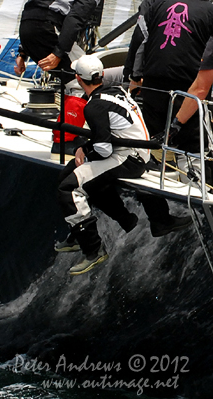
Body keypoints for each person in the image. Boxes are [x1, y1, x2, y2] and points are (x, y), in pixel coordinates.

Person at [123, 0, 213, 234]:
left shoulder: (155, 3)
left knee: (145, 154)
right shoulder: (211, 11)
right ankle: (204, 209)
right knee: (197, 150)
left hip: (154, 86)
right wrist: (177, 125)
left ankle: (159, 219)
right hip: (187, 90)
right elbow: (203, 84)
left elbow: (139, 41)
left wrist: (133, 77)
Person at [57, 55, 150, 275]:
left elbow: (103, 150)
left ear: (79, 79)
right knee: (69, 173)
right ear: (101, 76)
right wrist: (85, 150)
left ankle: (93, 250)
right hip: (132, 151)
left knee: (68, 188)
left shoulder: (93, 106)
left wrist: (84, 148)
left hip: (130, 158)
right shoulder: (115, 90)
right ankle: (115, 223)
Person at [14, 0, 100, 85]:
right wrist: (59, 53)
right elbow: (76, 18)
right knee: (88, 77)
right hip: (46, 26)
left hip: (26, 24)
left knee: (70, 77)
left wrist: (22, 53)